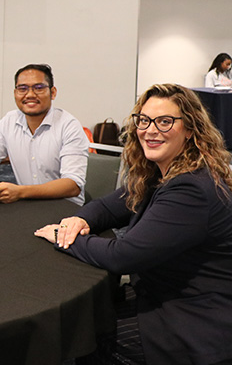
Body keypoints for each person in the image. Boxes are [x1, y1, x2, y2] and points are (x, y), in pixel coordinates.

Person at [35, 83, 232, 365]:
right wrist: (77, 219)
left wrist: (63, 237)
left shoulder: (191, 188)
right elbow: (106, 206)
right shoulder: (160, 172)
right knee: (87, 314)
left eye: (165, 122)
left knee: (86, 335)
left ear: (190, 129)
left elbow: (123, 256)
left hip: (194, 318)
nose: (151, 130)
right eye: (144, 120)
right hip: (163, 294)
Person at [0, 63, 89, 205]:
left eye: (39, 88)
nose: (30, 95)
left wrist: (20, 192)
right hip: (28, 205)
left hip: (65, 210)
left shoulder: (69, 126)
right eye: (22, 89)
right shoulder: (9, 121)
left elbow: (73, 185)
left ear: (53, 92)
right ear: (15, 93)